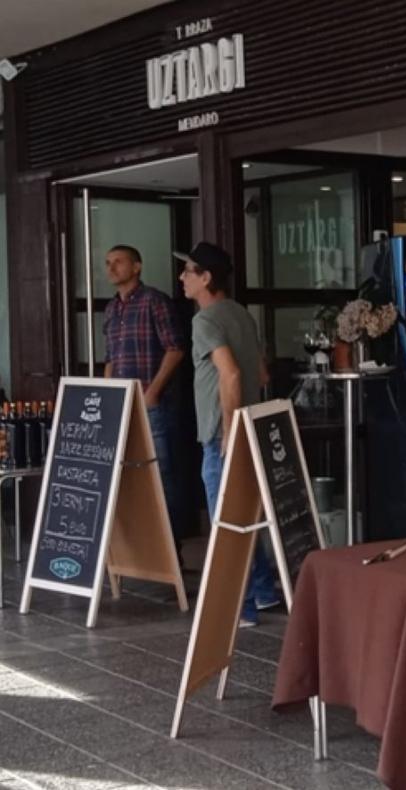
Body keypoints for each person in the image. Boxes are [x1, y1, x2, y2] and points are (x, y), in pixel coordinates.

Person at [178, 241, 279, 628]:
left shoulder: (204, 321)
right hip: (251, 425)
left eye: (188, 271)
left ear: (206, 278)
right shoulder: (240, 314)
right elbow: (262, 373)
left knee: (228, 522)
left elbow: (231, 373)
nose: (182, 278)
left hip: (225, 432)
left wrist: (227, 428)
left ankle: (245, 608)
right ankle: (266, 589)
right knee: (246, 514)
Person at [101, 244, 187, 562]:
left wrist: (153, 391)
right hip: (121, 405)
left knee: (162, 475)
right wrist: (107, 395)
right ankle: (136, 553)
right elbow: (110, 358)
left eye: (118, 262)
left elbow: (176, 349)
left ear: (136, 267)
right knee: (124, 478)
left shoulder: (154, 301)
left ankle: (171, 552)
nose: (111, 268)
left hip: (152, 405)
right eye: (108, 263)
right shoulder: (112, 309)